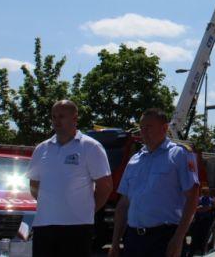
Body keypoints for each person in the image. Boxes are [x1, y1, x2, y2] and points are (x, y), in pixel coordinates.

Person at [109, 108, 199, 257]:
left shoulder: (179, 155)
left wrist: (178, 239)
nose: (143, 132)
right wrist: (115, 243)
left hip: (163, 237)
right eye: (141, 127)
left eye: (149, 127)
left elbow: (193, 197)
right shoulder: (135, 160)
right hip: (133, 238)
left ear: (164, 128)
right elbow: (124, 204)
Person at [28, 100, 113, 257]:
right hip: (44, 226)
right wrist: (54, 205)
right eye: (53, 117)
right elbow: (34, 185)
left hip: (77, 227)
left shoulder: (91, 147)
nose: (56, 121)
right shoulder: (42, 148)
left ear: (75, 118)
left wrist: (86, 210)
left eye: (61, 116)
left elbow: (105, 186)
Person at [185, 186, 215, 256]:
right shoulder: (199, 199)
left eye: (207, 192)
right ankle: (193, 250)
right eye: (204, 192)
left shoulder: (210, 200)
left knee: (205, 236)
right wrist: (200, 208)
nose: (206, 193)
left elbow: (208, 208)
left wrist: (201, 208)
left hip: (206, 221)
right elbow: (196, 208)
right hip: (198, 220)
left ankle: (202, 250)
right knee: (195, 235)